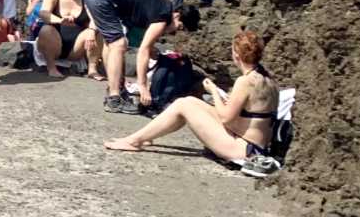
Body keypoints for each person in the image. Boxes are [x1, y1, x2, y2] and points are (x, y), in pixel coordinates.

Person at [105, 30, 279, 166]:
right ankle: (146, 135)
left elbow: (226, 118)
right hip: (254, 145)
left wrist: (214, 92)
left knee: (183, 106)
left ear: (236, 56)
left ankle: (134, 140)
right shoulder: (268, 79)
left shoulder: (245, 81)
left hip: (243, 149)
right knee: (188, 101)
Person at [81, 0, 201, 113]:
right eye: (179, 27)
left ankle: (116, 88)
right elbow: (143, 50)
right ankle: (114, 99)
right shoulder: (163, 15)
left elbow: (145, 46)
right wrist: (143, 86)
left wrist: (150, 49)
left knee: (111, 42)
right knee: (118, 44)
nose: (174, 32)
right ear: (177, 15)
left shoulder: (156, 6)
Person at [29, 0, 98, 79]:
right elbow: (44, 13)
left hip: (75, 49)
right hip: (54, 44)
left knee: (96, 31)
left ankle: (93, 69)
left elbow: (95, 18)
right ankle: (51, 68)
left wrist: (92, 31)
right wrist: (60, 20)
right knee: (46, 29)